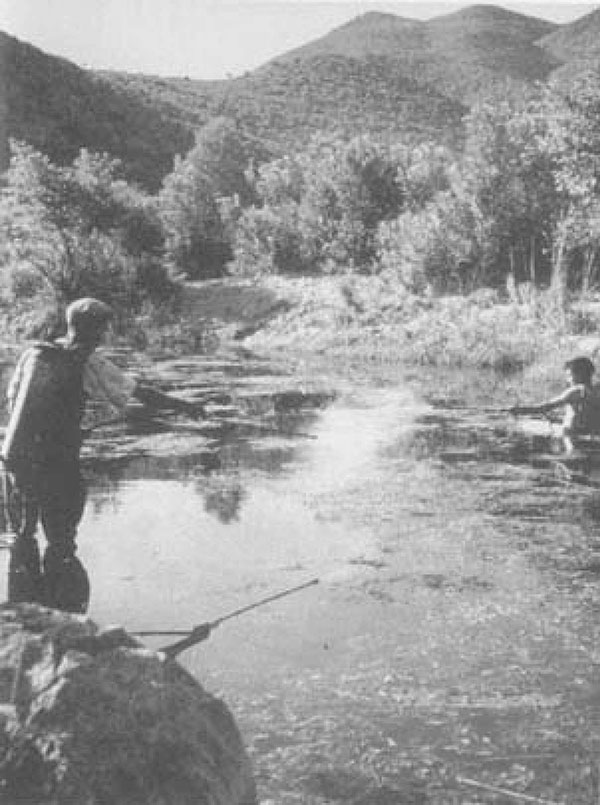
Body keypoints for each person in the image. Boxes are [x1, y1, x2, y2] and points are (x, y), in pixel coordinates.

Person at [1, 297, 203, 612]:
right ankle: (65, 619)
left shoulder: (33, 353)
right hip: (56, 462)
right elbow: (137, 392)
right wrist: (187, 406)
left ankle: (25, 618)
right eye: (102, 328)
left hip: (14, 457)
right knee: (61, 540)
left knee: (22, 538)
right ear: (93, 330)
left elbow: (14, 402)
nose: (104, 335)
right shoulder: (88, 362)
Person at [510, 356, 600, 452]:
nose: (568, 380)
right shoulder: (596, 390)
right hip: (591, 434)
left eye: (569, 376)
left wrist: (521, 410)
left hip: (571, 435)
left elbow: (545, 407)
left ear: (580, 374)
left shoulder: (575, 391)